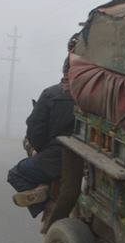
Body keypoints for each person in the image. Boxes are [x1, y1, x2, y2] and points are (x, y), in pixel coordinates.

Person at [7, 64, 75, 218]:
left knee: (15, 174)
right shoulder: (97, 96)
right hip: (85, 159)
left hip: (55, 159)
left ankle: (47, 203)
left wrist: (37, 149)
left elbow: (34, 131)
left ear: (64, 70)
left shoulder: (51, 94)